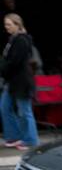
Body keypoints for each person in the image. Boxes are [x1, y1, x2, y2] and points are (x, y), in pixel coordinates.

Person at [0, 13, 37, 150]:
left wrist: (3, 69)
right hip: (11, 81)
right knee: (5, 107)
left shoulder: (22, 40)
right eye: (5, 24)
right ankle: (13, 136)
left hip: (21, 81)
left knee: (24, 110)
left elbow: (14, 62)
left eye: (9, 24)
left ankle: (30, 139)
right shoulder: (13, 39)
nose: (6, 27)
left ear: (17, 25)